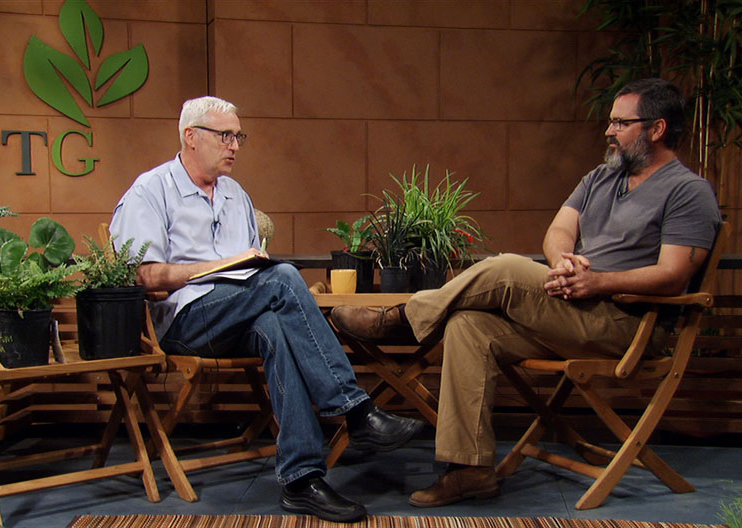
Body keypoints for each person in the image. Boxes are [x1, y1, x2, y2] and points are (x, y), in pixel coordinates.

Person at [330, 78, 722, 508]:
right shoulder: (600, 178)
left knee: (505, 267)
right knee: (468, 325)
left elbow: (672, 275)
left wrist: (600, 281)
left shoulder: (689, 191)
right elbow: (558, 230)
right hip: (575, 309)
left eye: (619, 123)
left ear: (657, 129)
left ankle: (401, 320)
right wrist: (563, 262)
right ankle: (470, 471)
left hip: (628, 325)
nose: (608, 131)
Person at [110, 96, 423, 522]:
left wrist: (242, 267)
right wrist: (214, 267)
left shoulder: (236, 195)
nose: (235, 145)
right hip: (186, 320)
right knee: (283, 278)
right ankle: (354, 410)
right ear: (190, 136)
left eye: (239, 136)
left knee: (276, 324)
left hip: (240, 312)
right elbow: (144, 276)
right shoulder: (151, 189)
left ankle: (301, 481)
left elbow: (248, 270)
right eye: (225, 136)